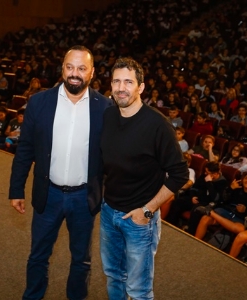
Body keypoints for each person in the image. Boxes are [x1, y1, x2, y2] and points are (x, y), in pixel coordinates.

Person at [9, 45, 113, 300]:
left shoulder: (105, 108)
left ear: (92, 72)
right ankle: (33, 296)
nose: (74, 73)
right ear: (62, 68)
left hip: (83, 198)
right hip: (49, 194)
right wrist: (16, 189)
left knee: (82, 259)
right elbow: (26, 149)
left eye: (81, 68)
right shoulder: (39, 102)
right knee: (38, 255)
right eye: (69, 67)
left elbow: (113, 156)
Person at [100, 57, 188, 299]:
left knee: (138, 290)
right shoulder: (108, 116)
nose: (121, 87)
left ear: (141, 87)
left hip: (139, 220)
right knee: (113, 275)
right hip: (109, 212)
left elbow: (180, 174)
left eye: (128, 82)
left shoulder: (158, 125)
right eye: (116, 81)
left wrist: (147, 211)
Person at [194, 172, 247, 242]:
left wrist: (246, 210)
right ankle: (195, 241)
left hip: (239, 218)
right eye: (246, 178)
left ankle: (211, 213)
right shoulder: (237, 188)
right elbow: (221, 200)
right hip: (225, 212)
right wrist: (231, 188)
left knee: (240, 229)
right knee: (205, 219)